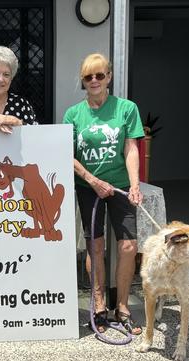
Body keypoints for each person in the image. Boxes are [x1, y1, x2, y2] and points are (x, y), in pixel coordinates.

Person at [62, 53, 145, 335]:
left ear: (109, 77)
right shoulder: (74, 114)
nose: (94, 81)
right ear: (83, 81)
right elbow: (68, 156)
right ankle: (98, 304)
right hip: (88, 189)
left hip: (121, 186)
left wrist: (135, 185)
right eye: (88, 76)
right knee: (95, 246)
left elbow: (131, 148)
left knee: (128, 246)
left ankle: (121, 306)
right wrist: (91, 179)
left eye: (100, 75)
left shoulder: (126, 108)